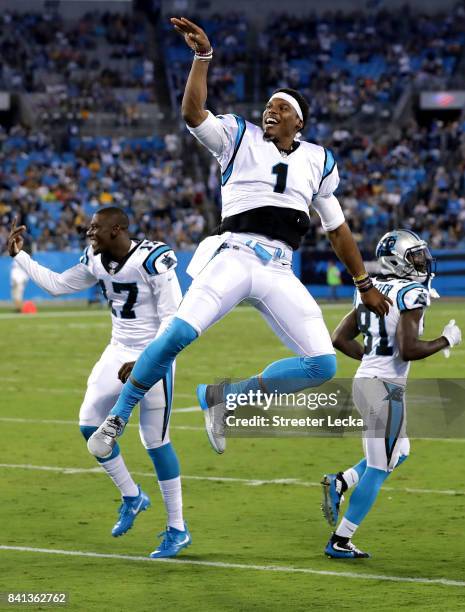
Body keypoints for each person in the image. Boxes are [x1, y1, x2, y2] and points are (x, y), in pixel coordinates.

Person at [87, 16, 391, 460]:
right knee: (176, 336)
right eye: (269, 104)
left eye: (281, 107)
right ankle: (117, 418)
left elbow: (337, 228)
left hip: (279, 267)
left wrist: (364, 284)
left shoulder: (319, 160)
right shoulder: (239, 136)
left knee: (322, 364)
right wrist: (202, 58)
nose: (271, 109)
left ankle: (225, 398)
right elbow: (193, 113)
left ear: (298, 121)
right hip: (234, 254)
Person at [7, 210, 191, 559]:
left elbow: (174, 317)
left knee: (155, 441)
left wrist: (149, 358)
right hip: (117, 350)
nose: (89, 231)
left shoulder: (152, 259)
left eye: (96, 227)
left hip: (154, 353)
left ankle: (177, 528)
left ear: (117, 229)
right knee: (89, 424)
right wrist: (21, 256)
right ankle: (132, 496)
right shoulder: (95, 258)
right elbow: (59, 286)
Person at [321, 229, 462, 559]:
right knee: (380, 467)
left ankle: (340, 481)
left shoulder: (368, 290)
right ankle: (340, 540)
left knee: (401, 451)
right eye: (415, 256)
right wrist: (447, 340)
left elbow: (339, 338)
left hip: (367, 383)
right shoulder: (412, 292)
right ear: (397, 260)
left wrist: (370, 361)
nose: (422, 261)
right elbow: (409, 349)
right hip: (384, 390)